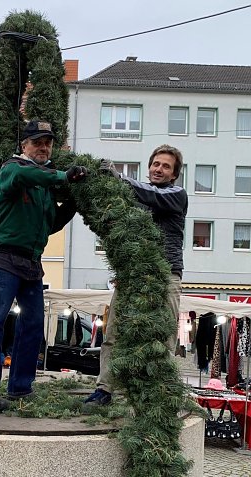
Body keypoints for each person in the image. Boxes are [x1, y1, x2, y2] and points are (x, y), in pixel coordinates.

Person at [0, 120, 87, 410]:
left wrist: (75, 204)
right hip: (5, 258)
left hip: (32, 262)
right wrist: (65, 176)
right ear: (24, 146)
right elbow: (28, 174)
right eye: (37, 142)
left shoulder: (43, 186)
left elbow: (49, 224)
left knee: (33, 325)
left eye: (47, 142)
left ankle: (20, 388)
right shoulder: (13, 168)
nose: (43, 147)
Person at [85, 144, 188, 407]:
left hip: (166, 275)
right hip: (132, 275)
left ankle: (158, 395)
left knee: (163, 335)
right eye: (156, 164)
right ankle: (104, 389)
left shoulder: (176, 194)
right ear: (149, 166)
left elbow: (152, 195)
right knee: (114, 333)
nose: (159, 169)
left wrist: (119, 178)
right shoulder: (137, 196)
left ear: (174, 174)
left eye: (166, 166)